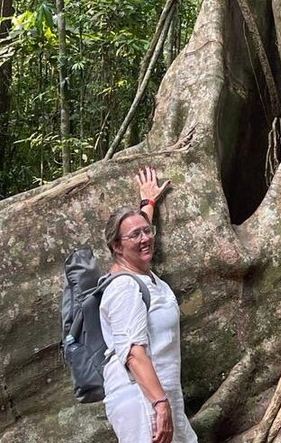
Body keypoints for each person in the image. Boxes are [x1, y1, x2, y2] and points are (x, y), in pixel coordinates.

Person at [100, 166, 198, 443]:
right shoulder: (124, 287)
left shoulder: (141, 275)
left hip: (161, 393)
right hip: (141, 400)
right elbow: (132, 353)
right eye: (135, 235)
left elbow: (139, 236)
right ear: (116, 247)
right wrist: (159, 405)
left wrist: (148, 203)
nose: (145, 238)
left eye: (147, 231)